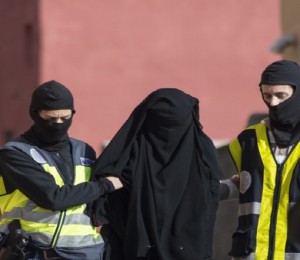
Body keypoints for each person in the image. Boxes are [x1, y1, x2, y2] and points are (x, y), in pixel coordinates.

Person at [90, 88, 222, 260]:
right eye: (162, 125)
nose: (168, 134)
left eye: (175, 125)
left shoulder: (201, 153)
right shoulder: (131, 157)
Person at [0, 80, 122, 260]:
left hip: (86, 253)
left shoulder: (85, 151)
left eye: (65, 118)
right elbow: (53, 198)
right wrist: (105, 185)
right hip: (34, 253)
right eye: (50, 119)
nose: (58, 123)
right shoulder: (15, 154)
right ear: (34, 114)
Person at [219, 60, 300, 259]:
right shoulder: (247, 140)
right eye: (267, 95)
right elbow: (248, 188)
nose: (273, 103)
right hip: (250, 253)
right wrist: (211, 189)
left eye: (281, 96)